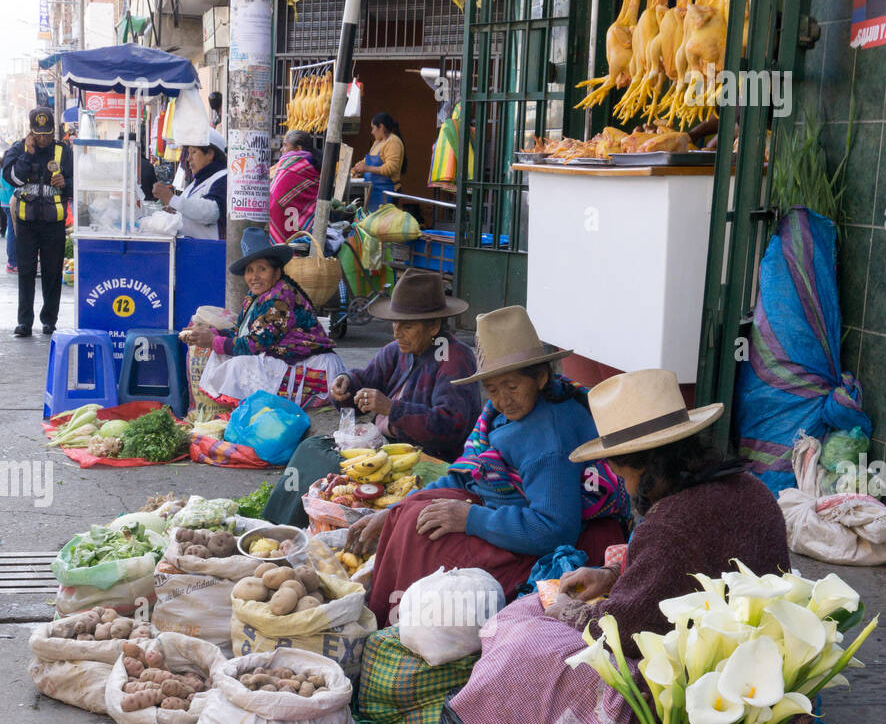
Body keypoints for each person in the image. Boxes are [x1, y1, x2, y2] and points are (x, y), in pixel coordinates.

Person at [449, 368, 794, 724]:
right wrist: (612, 573)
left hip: (687, 689)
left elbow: (622, 634)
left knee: (524, 642)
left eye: (619, 469)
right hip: (752, 668)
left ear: (644, 464)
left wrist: (575, 614)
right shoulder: (749, 488)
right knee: (532, 618)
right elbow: (684, 568)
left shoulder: (671, 522)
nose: (618, 479)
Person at [356, 305, 628, 628]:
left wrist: (471, 519)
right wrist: (394, 509)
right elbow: (466, 476)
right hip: (517, 516)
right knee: (410, 513)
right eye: (494, 389)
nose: (503, 400)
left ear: (540, 377)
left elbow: (554, 528)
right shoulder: (502, 415)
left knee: (425, 538)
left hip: (563, 543)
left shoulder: (548, 440)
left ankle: (402, 627)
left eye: (512, 387)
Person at [262, 268, 480, 527]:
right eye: (395, 324)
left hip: (430, 457)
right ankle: (278, 525)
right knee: (312, 450)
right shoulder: (398, 350)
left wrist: (392, 408)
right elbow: (365, 379)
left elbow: (450, 428)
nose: (397, 332)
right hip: (381, 446)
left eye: (407, 326)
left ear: (434, 326)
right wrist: (345, 386)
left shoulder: (455, 359)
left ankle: (311, 529)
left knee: (338, 471)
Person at [180, 227, 336, 405]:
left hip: (312, 367)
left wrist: (212, 341)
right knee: (222, 356)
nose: (254, 277)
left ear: (277, 272)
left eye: (262, 269)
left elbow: (254, 344)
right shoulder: (254, 297)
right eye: (249, 270)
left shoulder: (280, 300)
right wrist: (211, 333)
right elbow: (241, 333)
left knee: (238, 366)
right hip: (284, 359)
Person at [2, 107, 72, 337]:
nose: (43, 139)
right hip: (27, 222)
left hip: (54, 224)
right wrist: (29, 153)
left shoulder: (63, 151)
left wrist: (66, 183)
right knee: (26, 273)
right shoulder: (18, 149)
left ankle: (49, 321)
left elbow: (78, 181)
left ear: (54, 132)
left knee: (52, 274)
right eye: (38, 134)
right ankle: (24, 322)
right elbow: (13, 178)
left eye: (47, 134)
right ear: (31, 132)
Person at [152, 131, 226, 239]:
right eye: (188, 153)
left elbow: (212, 212)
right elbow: (191, 211)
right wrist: (176, 214)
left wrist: (172, 199)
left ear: (210, 154)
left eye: (194, 152)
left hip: (210, 251)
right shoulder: (197, 182)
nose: (188, 158)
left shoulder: (222, 178)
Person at [270, 131, 320, 243]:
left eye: (285, 145)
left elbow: (274, 194)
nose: (281, 149)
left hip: (280, 217)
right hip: (297, 219)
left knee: (283, 250)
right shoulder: (313, 166)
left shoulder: (288, 163)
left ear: (298, 149)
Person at [353, 113, 405, 212]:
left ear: (381, 126)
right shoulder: (377, 142)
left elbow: (391, 168)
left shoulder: (393, 142)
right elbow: (366, 162)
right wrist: (356, 168)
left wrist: (367, 168)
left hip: (387, 193)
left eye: (373, 128)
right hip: (373, 192)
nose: (372, 132)